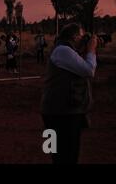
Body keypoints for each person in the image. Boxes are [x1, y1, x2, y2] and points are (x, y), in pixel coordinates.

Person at [41, 23, 98, 164]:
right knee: (67, 156)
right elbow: (89, 70)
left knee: (60, 155)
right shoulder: (63, 51)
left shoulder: (64, 50)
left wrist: (87, 50)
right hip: (62, 114)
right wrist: (91, 50)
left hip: (57, 111)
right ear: (75, 36)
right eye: (82, 36)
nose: (84, 39)